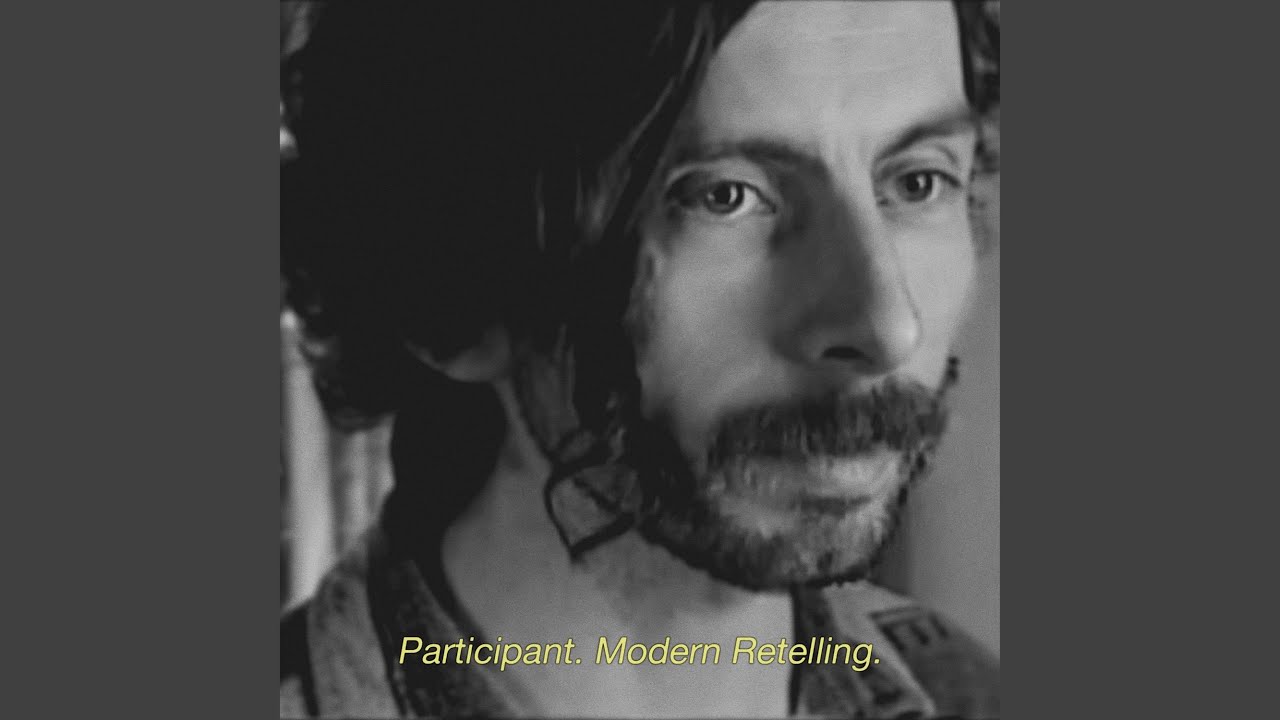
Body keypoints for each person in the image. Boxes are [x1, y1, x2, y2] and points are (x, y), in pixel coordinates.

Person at [279, 1, 1001, 717]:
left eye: (917, 182)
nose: (887, 327)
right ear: (451, 294)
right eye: (723, 197)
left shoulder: (965, 691)